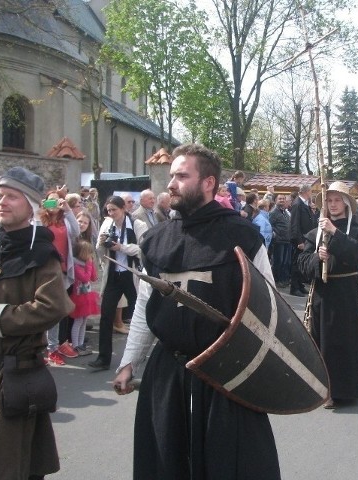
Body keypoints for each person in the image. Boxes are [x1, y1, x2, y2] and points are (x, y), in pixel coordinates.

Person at [112, 144, 281, 479]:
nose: (171, 183)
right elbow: (147, 303)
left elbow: (268, 308)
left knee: (226, 463)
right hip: (168, 369)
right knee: (166, 460)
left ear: (208, 183)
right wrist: (129, 362)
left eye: (181, 175)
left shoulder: (242, 236)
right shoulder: (158, 239)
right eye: (172, 175)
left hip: (223, 369)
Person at [0, 165, 74, 479]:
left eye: (12, 197)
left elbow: (53, 306)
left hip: (14, 370)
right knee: (0, 458)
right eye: (0, 196)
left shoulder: (41, 251)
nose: (2, 202)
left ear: (32, 206)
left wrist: (1, 318)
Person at [298, 182, 358, 409]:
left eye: (337, 200)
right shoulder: (313, 234)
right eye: (329, 201)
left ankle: (345, 388)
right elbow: (301, 265)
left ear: (347, 204)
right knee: (323, 343)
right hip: (322, 293)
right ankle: (325, 389)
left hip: (346, 293)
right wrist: (317, 258)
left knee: (344, 342)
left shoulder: (357, 231)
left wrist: (335, 233)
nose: (333, 204)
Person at [88, 195, 147, 370]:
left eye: (114, 210)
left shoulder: (138, 225)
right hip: (113, 274)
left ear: (123, 209)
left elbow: (143, 251)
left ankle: (140, 355)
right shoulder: (107, 224)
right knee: (106, 315)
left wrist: (121, 247)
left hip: (131, 274)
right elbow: (100, 251)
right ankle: (103, 358)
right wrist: (102, 244)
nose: (111, 213)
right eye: (108, 210)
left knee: (140, 315)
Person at [40, 190, 80, 364]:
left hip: (62, 270)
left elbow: (76, 232)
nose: (54, 205)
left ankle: (53, 348)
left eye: (57, 202)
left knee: (57, 310)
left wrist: (68, 210)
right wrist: (40, 207)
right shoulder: (40, 220)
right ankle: (44, 347)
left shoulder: (65, 220)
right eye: (50, 202)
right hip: (44, 269)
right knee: (43, 309)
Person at [69, 240, 99, 356]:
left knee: (84, 321)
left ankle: (80, 343)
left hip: (87, 295)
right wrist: (89, 264)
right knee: (78, 321)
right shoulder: (76, 265)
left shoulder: (85, 264)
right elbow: (85, 278)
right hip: (79, 297)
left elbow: (93, 277)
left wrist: (91, 264)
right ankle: (75, 344)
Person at [289, 184, 316, 297]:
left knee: (301, 263)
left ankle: (300, 285)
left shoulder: (304, 204)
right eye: (310, 191)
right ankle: (294, 288)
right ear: (306, 191)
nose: (311, 193)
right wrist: (299, 241)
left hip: (306, 238)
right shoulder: (297, 204)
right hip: (300, 240)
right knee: (296, 264)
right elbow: (295, 224)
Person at [269, 193, 292, 288]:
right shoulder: (273, 212)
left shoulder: (285, 212)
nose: (282, 200)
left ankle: (282, 279)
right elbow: (270, 225)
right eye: (280, 199)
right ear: (275, 200)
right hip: (278, 241)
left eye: (283, 198)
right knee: (278, 262)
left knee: (284, 262)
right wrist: (275, 234)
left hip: (287, 240)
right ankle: (276, 280)